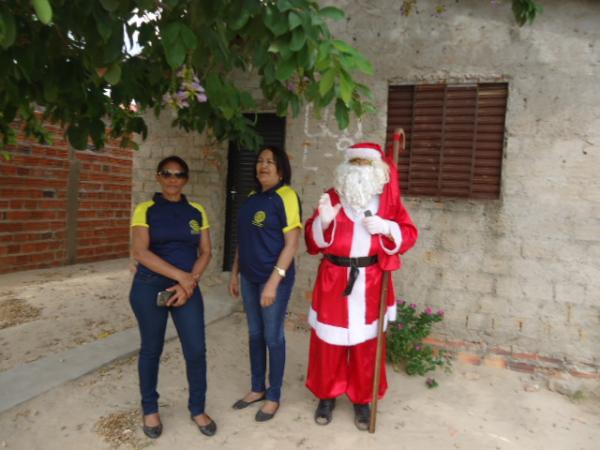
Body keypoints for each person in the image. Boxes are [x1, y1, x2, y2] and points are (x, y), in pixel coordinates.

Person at [304, 141, 418, 431]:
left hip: (371, 281)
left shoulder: (387, 201)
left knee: (367, 346)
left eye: (365, 164)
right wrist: (323, 224)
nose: (359, 171)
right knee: (328, 343)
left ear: (377, 169)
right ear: (345, 168)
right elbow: (312, 241)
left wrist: (388, 228)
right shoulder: (332, 197)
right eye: (354, 164)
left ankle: (362, 399)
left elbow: (409, 233)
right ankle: (327, 396)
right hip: (334, 280)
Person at [129, 155, 216, 439]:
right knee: (152, 349)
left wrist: (188, 283)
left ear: (185, 179)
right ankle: (150, 409)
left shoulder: (196, 210)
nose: (172, 179)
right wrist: (183, 277)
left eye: (179, 175)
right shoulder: (146, 209)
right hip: (149, 286)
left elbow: (205, 252)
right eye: (167, 174)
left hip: (187, 289)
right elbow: (141, 252)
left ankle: (197, 408)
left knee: (195, 350)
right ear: (158, 176)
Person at [229, 146, 302, 422]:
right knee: (255, 334)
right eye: (260, 161)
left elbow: (292, 243)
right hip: (249, 277)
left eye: (270, 162)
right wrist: (235, 272)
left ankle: (274, 395)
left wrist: (273, 283)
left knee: (273, 336)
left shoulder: (286, 196)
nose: (263, 166)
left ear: (281, 168)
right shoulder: (250, 198)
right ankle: (257, 388)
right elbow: (243, 240)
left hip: (275, 279)